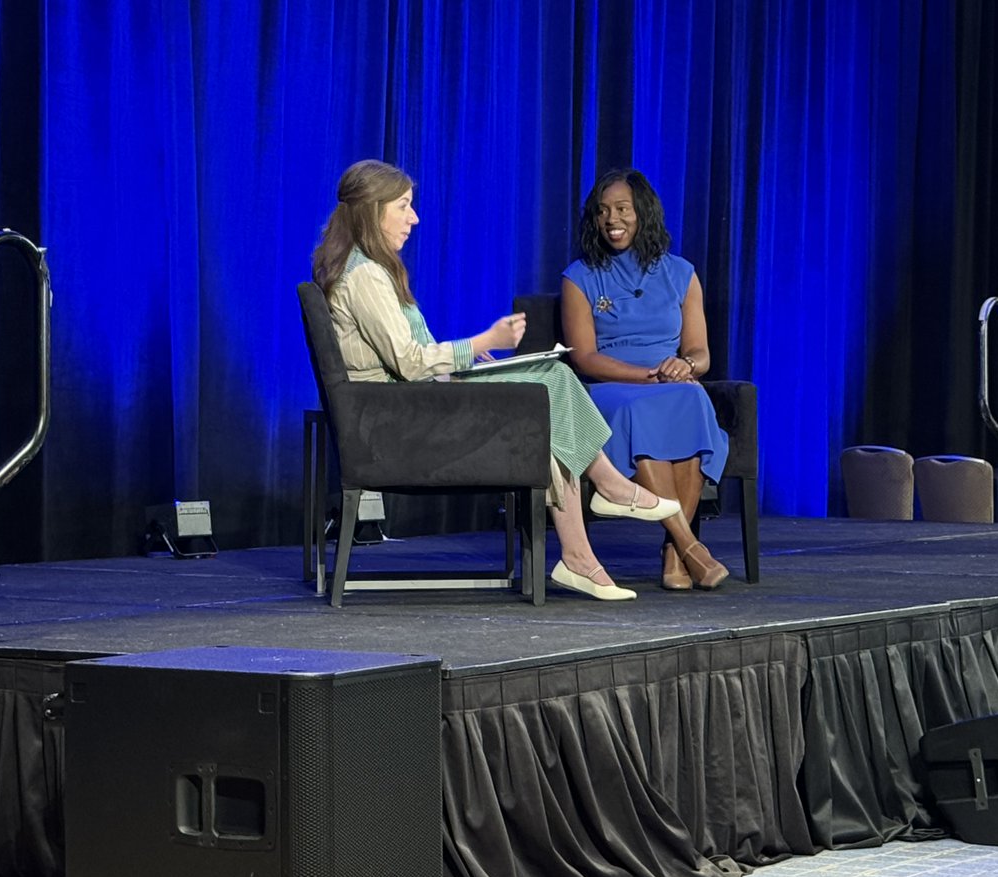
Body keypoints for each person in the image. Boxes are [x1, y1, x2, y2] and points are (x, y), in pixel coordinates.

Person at [311, 159, 681, 601]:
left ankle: (583, 549)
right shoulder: (367, 275)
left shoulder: (370, 268)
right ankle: (607, 492)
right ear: (374, 211)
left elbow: (404, 356)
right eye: (405, 207)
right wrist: (482, 340)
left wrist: (464, 364)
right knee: (551, 382)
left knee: (547, 402)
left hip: (412, 406)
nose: (415, 218)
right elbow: (409, 364)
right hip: (401, 424)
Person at [561, 168, 730, 590]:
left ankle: (675, 549)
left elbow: (700, 352)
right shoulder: (579, 277)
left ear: (644, 214)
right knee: (645, 409)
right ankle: (689, 547)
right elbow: (583, 358)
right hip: (612, 387)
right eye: (602, 211)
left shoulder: (681, 273)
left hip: (670, 384)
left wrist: (684, 367)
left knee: (690, 399)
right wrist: (648, 376)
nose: (611, 220)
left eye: (622, 210)